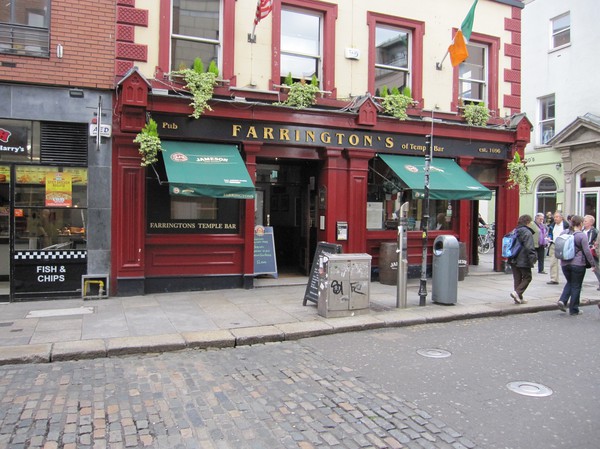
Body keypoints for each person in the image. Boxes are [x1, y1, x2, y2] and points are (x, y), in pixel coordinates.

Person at [556, 215, 596, 315]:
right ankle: (574, 309)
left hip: (564, 263)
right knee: (576, 286)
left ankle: (563, 300)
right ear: (580, 224)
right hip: (578, 264)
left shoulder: (564, 232)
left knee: (570, 282)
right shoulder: (581, 235)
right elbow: (587, 251)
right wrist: (593, 264)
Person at [507, 214, 537, 304]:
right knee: (528, 277)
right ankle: (517, 293)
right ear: (527, 222)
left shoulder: (515, 231)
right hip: (523, 258)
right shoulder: (527, 232)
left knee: (517, 278)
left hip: (513, 257)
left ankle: (518, 297)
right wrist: (533, 258)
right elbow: (529, 247)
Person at [546, 211, 570, 285]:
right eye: (555, 217)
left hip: (563, 245)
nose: (555, 218)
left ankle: (569, 279)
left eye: (557, 217)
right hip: (553, 244)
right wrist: (549, 238)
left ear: (561, 218)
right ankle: (554, 279)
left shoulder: (566, 225)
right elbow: (550, 233)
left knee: (566, 263)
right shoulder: (552, 225)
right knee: (553, 262)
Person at [582, 214, 600, 291]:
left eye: (585, 221)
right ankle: (579, 284)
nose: (584, 222)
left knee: (596, 268)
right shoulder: (581, 231)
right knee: (580, 269)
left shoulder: (595, 231)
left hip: (591, 252)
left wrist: (593, 246)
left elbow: (596, 242)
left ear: (591, 223)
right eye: (583, 221)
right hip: (582, 252)